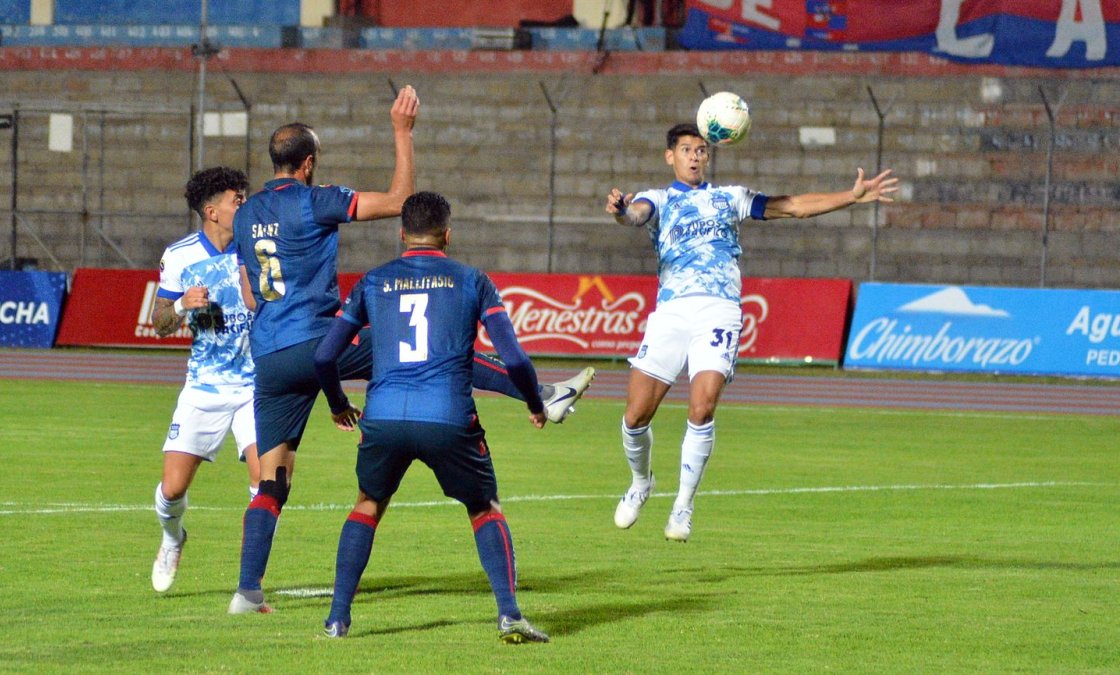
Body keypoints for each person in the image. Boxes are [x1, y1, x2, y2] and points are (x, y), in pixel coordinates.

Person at [228, 86, 593, 614]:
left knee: (272, 477)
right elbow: (402, 202)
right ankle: (542, 395)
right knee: (425, 350)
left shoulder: (245, 215)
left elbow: (246, 285)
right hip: (315, 337)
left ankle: (247, 590)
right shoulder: (315, 199)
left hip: (270, 353)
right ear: (308, 164)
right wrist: (402, 132)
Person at [604, 122, 898, 542]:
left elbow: (792, 205)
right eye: (686, 149)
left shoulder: (730, 198)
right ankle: (640, 482)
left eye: (701, 150)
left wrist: (849, 197)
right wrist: (620, 210)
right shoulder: (660, 199)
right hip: (670, 314)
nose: (694, 156)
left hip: (718, 311)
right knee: (635, 417)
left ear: (709, 155)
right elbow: (635, 216)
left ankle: (683, 505)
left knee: (702, 408)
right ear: (670, 156)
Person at [313, 191, 550, 643]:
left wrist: (338, 405)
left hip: (382, 418)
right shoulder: (472, 280)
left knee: (367, 504)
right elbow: (515, 360)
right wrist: (535, 403)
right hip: (448, 417)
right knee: (483, 507)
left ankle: (337, 620)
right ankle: (509, 614)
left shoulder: (373, 281)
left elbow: (325, 357)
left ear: (401, 234)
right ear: (448, 234)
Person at [150, 166, 255, 592]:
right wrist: (180, 309)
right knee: (172, 490)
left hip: (254, 385)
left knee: (266, 483)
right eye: (237, 200)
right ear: (212, 211)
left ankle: (250, 580)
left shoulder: (257, 248)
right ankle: (173, 538)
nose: (243, 206)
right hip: (204, 387)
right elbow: (158, 322)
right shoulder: (180, 257)